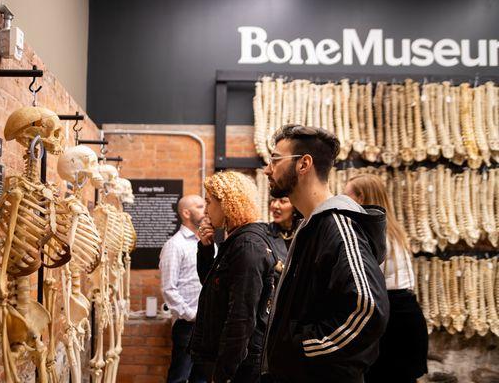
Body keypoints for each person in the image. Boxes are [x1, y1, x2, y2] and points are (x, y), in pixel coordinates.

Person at [262, 124, 389, 383]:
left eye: (275, 159)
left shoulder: (338, 226)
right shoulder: (312, 226)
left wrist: (302, 347)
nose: (268, 169)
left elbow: (368, 308)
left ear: (304, 164)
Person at [190, 171, 277, 383]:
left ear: (227, 204)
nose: (206, 211)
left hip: (240, 366)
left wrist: (223, 374)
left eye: (209, 202)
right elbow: (212, 286)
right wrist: (206, 248)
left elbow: (242, 316)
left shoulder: (247, 245)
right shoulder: (237, 241)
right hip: (226, 359)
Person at [344, 174, 428, 383]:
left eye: (347, 197)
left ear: (361, 198)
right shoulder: (395, 231)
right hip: (408, 315)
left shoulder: (372, 235)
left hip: (390, 321)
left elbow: (365, 284)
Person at [159, 194, 207, 383]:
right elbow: (168, 289)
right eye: (200, 206)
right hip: (188, 325)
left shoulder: (206, 243)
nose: (206, 210)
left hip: (205, 325)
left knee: (201, 379)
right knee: (179, 377)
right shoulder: (174, 245)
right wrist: (191, 315)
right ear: (186, 213)